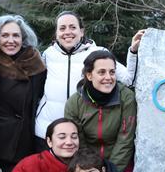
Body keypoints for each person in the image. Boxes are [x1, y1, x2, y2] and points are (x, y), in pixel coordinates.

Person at [34, 11, 142, 149]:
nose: (67, 32)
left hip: (79, 136)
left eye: (73, 27)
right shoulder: (48, 54)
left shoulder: (97, 52)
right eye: (62, 28)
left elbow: (129, 80)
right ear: (56, 33)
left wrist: (133, 51)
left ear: (82, 31)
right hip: (45, 131)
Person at [0, 15, 47, 172]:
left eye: (16, 35)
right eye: (5, 35)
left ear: (23, 38)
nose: (11, 40)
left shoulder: (36, 63)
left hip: (26, 141)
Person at [64, 50, 137, 172]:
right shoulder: (74, 103)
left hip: (120, 164)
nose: (108, 77)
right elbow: (79, 143)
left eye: (112, 72)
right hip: (87, 166)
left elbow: (125, 140)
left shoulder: (126, 97)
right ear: (89, 75)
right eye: (101, 72)